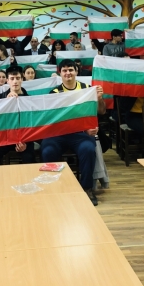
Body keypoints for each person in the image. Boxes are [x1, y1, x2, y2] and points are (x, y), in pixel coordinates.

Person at [41, 59, 107, 206]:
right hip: (58, 135)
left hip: (81, 134)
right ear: (60, 73)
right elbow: (50, 119)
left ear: (76, 72)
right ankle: (55, 188)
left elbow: (101, 111)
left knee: (88, 150)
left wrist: (99, 99)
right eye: (64, 70)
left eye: (70, 69)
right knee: (47, 151)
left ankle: (87, 188)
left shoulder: (87, 89)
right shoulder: (54, 93)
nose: (68, 73)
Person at [0, 66, 35, 166]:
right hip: (4, 138)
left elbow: (32, 124)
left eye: (18, 78)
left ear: (22, 79)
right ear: (7, 81)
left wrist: (25, 143)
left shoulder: (30, 100)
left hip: (24, 139)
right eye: (12, 79)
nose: (15, 81)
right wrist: (6, 102)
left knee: (29, 158)